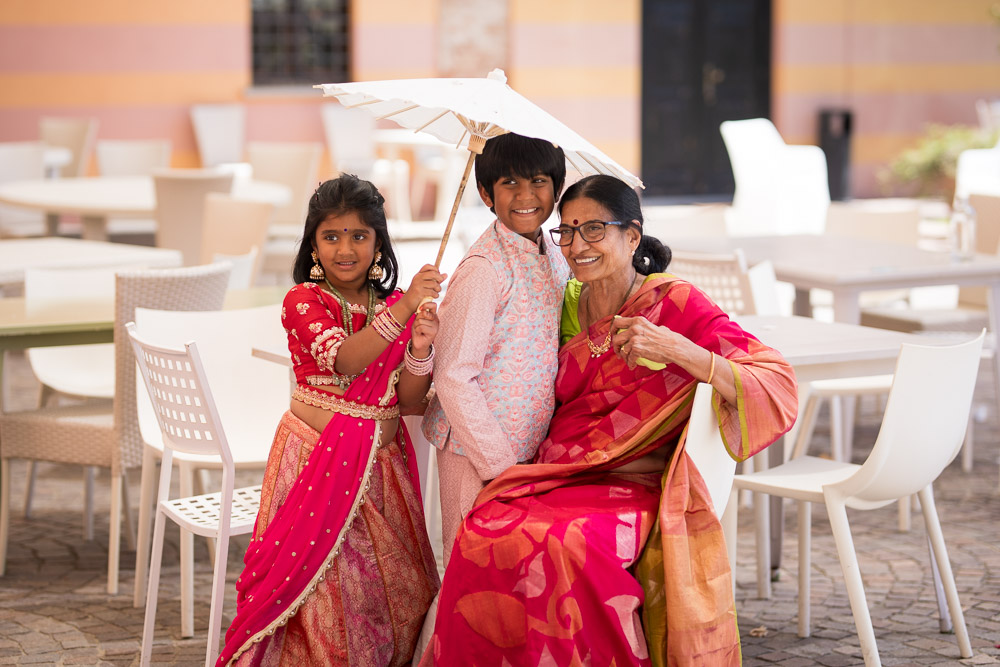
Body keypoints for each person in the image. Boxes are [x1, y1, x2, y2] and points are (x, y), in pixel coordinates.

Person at [418, 174, 799, 666]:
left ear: (632, 236)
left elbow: (777, 382)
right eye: (568, 231)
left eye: (594, 229)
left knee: (571, 545)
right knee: (488, 528)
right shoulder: (565, 302)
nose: (578, 245)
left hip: (635, 483)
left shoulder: (674, 302)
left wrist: (678, 350)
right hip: (561, 476)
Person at [218, 174, 445, 666]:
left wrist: (422, 346)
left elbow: (407, 399)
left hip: (381, 469)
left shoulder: (393, 304)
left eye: (360, 236)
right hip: (316, 461)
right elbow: (343, 359)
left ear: (379, 243)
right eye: (332, 236)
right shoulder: (303, 300)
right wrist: (404, 308)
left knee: (394, 595)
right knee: (328, 591)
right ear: (314, 244)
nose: (346, 249)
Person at [421, 132, 571, 563]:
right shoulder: (484, 269)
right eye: (509, 184)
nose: (526, 196)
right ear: (485, 192)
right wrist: (499, 466)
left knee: (515, 565)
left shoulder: (555, 255)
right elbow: (452, 375)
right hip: (477, 448)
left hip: (529, 444)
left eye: (539, 182)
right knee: (471, 561)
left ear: (556, 189)